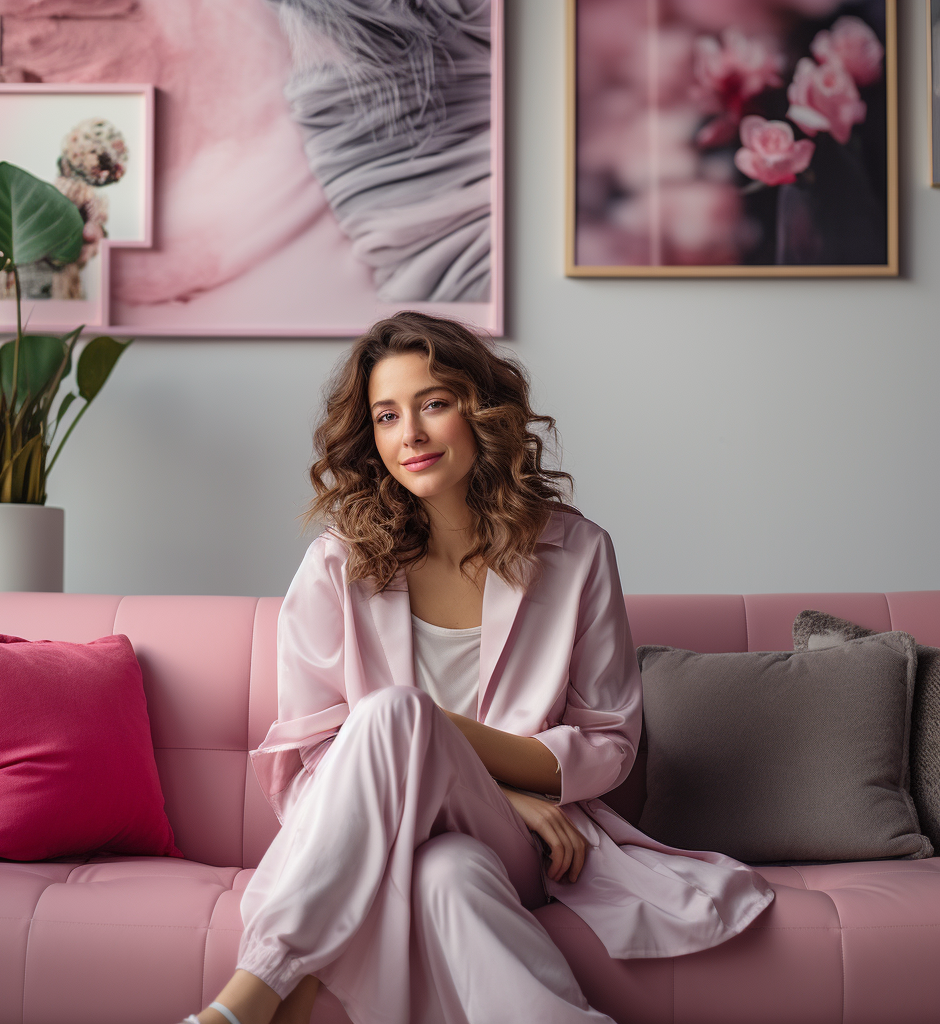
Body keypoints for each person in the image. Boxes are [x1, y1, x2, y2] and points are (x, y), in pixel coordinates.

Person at [181, 312, 774, 1024]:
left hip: (526, 845)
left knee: (397, 713)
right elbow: (311, 763)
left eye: (433, 404)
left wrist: (452, 755)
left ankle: (249, 1002)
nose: (412, 436)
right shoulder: (336, 567)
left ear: (481, 410)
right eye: (387, 416)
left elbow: (609, 742)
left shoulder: (576, 554)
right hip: (396, 837)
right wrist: (483, 782)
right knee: (445, 873)